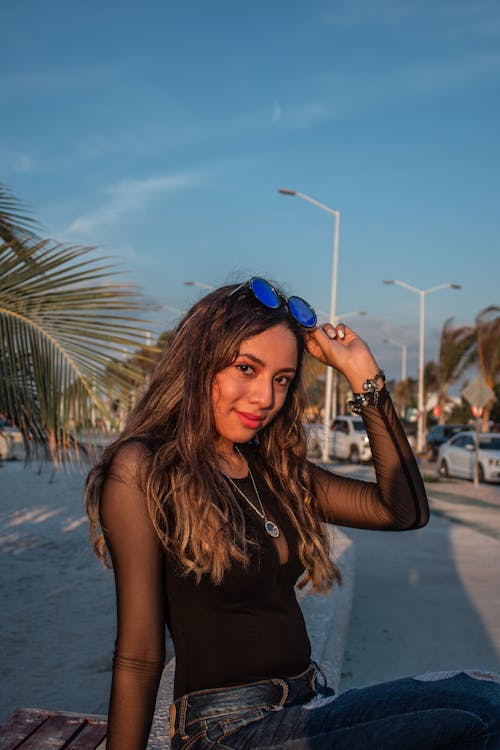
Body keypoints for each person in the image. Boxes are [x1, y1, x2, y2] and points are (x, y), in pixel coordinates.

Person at [85, 277, 500, 749]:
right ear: (200, 362)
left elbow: (402, 510)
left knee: (483, 692)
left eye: (281, 379)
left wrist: (361, 371)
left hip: (307, 704)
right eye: (246, 368)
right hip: (226, 731)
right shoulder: (143, 467)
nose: (265, 398)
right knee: (479, 717)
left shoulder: (275, 469)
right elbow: (139, 655)